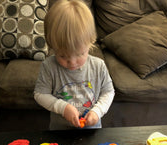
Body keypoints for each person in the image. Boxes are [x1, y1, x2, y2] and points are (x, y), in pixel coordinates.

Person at [34, 0, 114, 130]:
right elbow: (40, 94)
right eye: (63, 55)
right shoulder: (49, 67)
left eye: (79, 54)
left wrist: (97, 111)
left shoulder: (98, 66)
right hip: (60, 131)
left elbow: (108, 92)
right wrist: (63, 107)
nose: (72, 62)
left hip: (91, 131)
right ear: (52, 47)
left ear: (90, 42)